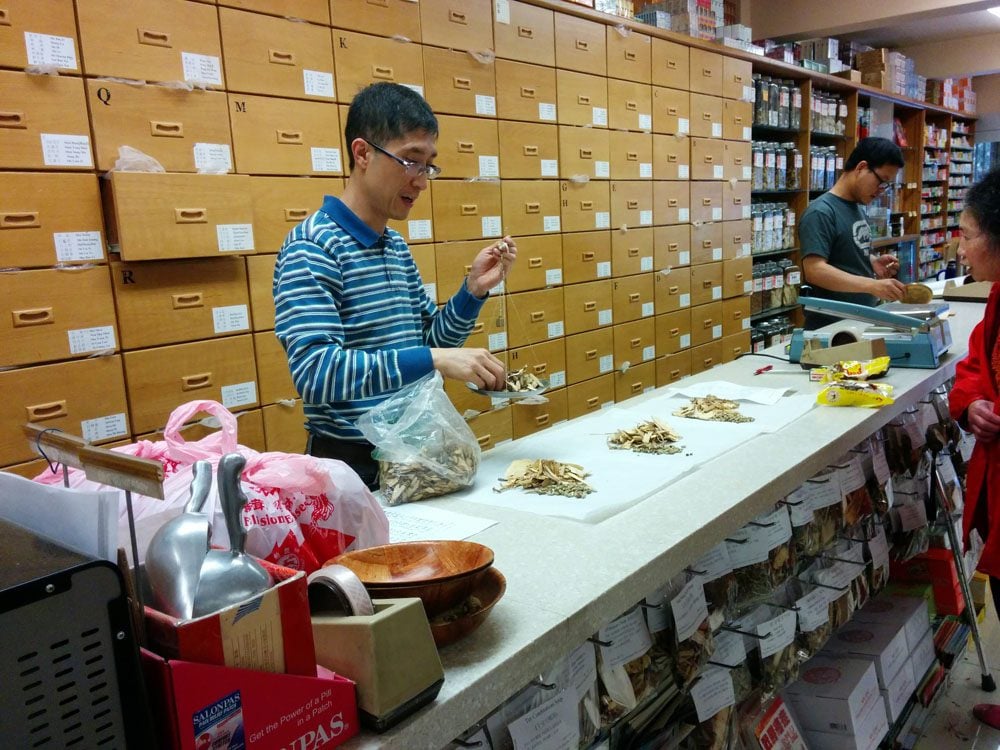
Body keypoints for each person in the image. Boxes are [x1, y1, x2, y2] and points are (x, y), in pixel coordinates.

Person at [273, 82, 517, 488]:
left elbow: (427, 340)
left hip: (410, 454)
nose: (421, 181)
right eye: (410, 161)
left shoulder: (394, 246)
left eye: (428, 166)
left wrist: (471, 292)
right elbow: (316, 373)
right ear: (363, 153)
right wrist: (432, 360)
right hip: (352, 470)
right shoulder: (312, 247)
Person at [947, 167, 1000, 731]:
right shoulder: (996, 300)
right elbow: (973, 369)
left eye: (965, 233)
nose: (957, 245)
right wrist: (972, 406)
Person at [799, 137, 907, 329]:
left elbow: (841, 253)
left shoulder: (856, 208)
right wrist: (871, 286)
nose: (881, 191)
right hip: (832, 328)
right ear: (861, 167)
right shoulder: (821, 212)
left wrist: (872, 261)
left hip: (858, 321)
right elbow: (815, 270)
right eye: (882, 181)